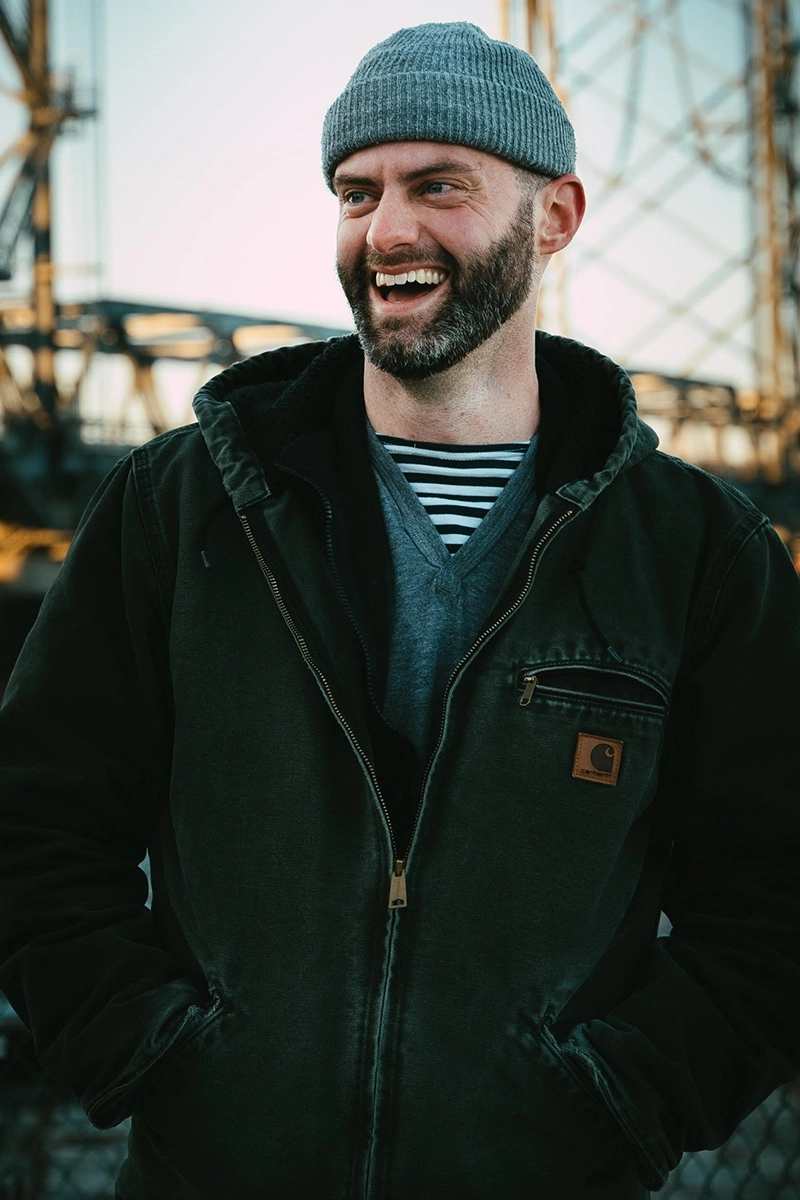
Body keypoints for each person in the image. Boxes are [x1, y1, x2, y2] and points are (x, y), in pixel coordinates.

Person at [1, 21, 799, 1200]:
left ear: (556, 216)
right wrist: (153, 1055)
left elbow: (774, 896)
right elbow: (33, 821)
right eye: (354, 191)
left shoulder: (695, 552)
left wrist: (625, 1098)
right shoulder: (176, 510)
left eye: (440, 186)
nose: (386, 231)